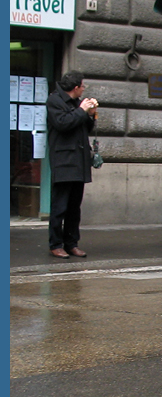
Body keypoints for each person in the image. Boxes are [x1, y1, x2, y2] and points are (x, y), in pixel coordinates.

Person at [46, 71, 98, 258]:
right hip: (64, 160)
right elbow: (63, 124)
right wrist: (81, 110)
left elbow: (85, 128)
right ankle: (55, 244)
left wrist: (90, 115)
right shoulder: (54, 101)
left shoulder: (78, 104)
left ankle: (71, 243)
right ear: (75, 88)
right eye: (82, 86)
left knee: (74, 207)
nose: (84, 89)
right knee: (60, 206)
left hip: (79, 161)